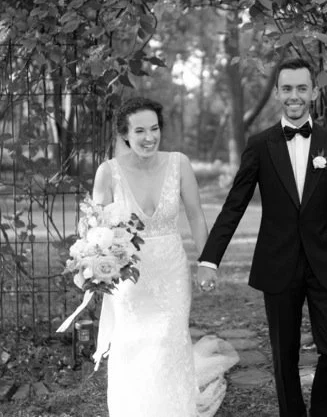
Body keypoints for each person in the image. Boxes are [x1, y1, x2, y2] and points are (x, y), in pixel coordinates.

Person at [197, 58, 327, 417]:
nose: (294, 96)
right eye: (287, 88)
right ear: (276, 93)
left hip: (325, 262)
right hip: (278, 263)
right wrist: (210, 259)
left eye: (301, 88)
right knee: (283, 355)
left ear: (314, 93)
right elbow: (234, 205)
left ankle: (322, 410)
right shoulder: (260, 144)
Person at [90, 97, 238, 417]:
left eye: (154, 129)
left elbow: (196, 216)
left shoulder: (179, 164)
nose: (148, 137)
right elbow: (94, 229)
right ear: (125, 135)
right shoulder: (108, 173)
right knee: (132, 342)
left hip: (171, 270)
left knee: (169, 340)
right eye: (139, 130)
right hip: (130, 275)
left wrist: (207, 262)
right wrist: (97, 265)